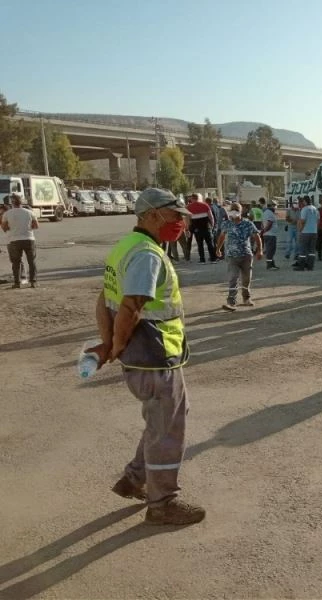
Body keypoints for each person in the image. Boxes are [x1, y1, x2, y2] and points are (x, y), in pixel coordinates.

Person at [93, 188, 205, 525]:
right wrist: (113, 345)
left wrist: (109, 342)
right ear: (152, 214)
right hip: (154, 356)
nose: (181, 222)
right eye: (174, 215)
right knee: (167, 430)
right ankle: (162, 504)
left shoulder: (125, 248)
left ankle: (134, 478)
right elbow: (129, 307)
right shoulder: (147, 255)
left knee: (163, 419)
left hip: (144, 356)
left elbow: (103, 300)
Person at [216, 202, 263, 311]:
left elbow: (257, 236)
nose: (233, 213)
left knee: (246, 279)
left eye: (236, 211)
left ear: (241, 212)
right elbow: (222, 237)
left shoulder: (248, 224)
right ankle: (231, 302)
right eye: (232, 211)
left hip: (246, 255)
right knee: (233, 278)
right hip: (232, 256)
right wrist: (218, 248)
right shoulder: (226, 224)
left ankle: (246, 298)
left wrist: (259, 250)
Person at [1, 193, 38, 288]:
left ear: (12, 203)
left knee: (16, 263)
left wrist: (12, 228)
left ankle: (17, 283)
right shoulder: (29, 212)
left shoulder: (7, 214)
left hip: (13, 240)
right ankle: (33, 282)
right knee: (31, 261)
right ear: (21, 202)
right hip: (29, 239)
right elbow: (36, 226)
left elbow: (4, 228)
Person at [187, 193, 216, 263]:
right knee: (210, 244)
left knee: (200, 244)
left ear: (192, 198)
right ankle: (213, 259)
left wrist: (188, 228)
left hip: (197, 229)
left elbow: (187, 219)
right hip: (207, 227)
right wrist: (212, 225)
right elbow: (211, 216)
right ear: (198, 198)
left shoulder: (189, 207)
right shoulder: (205, 205)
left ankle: (202, 260)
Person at [295, 196, 319, 271]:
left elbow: (302, 221)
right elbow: (318, 221)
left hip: (305, 232)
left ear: (305, 201)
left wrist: (300, 230)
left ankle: (301, 266)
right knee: (311, 251)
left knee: (302, 250)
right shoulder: (315, 209)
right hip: (314, 232)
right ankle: (310, 266)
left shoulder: (305, 209)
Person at [261, 200, 280, 270]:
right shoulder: (269, 213)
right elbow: (269, 223)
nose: (276, 207)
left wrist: (264, 231)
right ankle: (269, 265)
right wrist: (265, 231)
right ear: (271, 205)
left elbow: (262, 224)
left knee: (271, 250)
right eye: (275, 205)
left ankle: (272, 264)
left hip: (269, 234)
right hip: (270, 234)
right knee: (270, 250)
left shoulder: (267, 212)